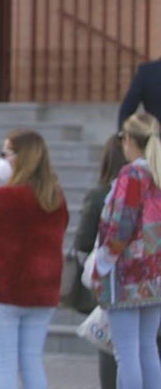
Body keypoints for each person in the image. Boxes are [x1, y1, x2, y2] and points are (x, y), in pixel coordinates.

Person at [0, 130, 68, 389]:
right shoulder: (55, 198)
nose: (2, 159)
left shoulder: (2, 197)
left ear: (18, 158)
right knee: (32, 361)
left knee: (4, 368)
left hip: (4, 291)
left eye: (6, 153)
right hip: (43, 292)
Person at [94, 111, 161, 389]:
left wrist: (103, 261)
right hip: (155, 274)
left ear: (130, 139)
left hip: (126, 274)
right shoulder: (156, 172)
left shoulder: (132, 173)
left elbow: (120, 226)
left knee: (126, 352)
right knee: (147, 347)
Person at [75, 134, 129, 389]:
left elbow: (83, 242)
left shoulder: (101, 194)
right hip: (149, 285)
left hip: (113, 288)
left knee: (113, 354)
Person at [119, 58, 161, 127]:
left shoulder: (147, 72)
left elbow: (127, 109)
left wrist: (122, 134)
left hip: (155, 133)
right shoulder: (147, 72)